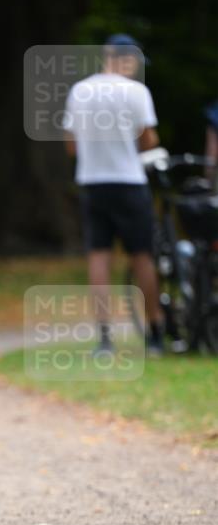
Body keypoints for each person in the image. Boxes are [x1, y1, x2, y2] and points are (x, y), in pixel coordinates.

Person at [63, 34, 165, 356]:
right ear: (128, 59)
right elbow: (148, 139)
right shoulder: (136, 92)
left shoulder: (80, 91)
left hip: (92, 182)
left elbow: (70, 145)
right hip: (129, 182)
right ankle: (156, 332)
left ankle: (105, 338)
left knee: (98, 257)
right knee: (142, 256)